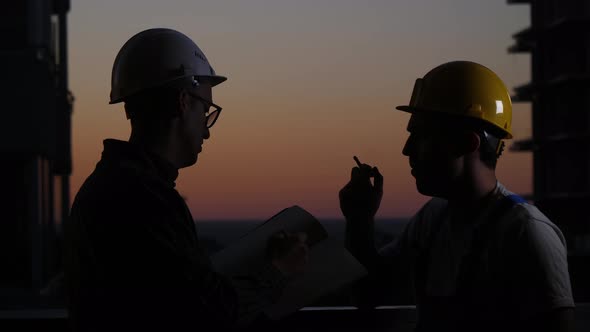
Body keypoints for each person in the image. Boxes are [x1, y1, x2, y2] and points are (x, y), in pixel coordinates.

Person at [63, 28, 307, 332]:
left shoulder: (108, 187)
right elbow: (207, 314)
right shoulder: (144, 199)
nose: (206, 131)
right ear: (182, 101)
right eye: (205, 111)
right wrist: (277, 270)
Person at [339, 61, 575, 332]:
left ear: (468, 142)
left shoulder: (525, 233)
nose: (407, 150)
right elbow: (369, 293)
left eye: (421, 135)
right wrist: (359, 219)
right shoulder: (433, 219)